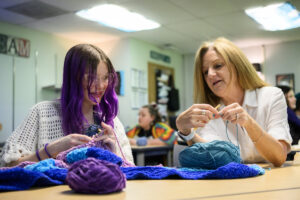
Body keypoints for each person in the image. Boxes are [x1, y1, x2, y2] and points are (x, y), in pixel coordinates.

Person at [0, 44, 133, 167]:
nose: (101, 86)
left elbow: (131, 171)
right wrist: (51, 150)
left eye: (105, 78)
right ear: (74, 78)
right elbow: (7, 167)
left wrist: (114, 155)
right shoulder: (41, 113)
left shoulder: (111, 121)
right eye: (91, 77)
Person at [176, 37, 292, 167]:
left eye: (218, 65)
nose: (210, 74)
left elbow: (279, 157)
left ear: (237, 65)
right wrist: (186, 132)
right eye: (205, 71)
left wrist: (249, 123)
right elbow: (209, 157)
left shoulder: (271, 96)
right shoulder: (209, 111)